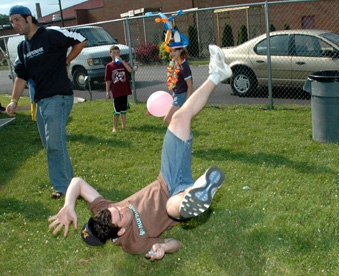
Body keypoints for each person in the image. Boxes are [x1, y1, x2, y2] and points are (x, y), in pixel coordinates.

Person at [48, 45, 232, 260]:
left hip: (166, 178)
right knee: (172, 208)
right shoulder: (134, 243)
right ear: (121, 232)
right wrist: (164, 248)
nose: (121, 208)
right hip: (176, 198)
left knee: (179, 118)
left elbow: (77, 182)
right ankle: (194, 196)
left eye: (117, 209)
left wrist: (68, 205)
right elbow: (176, 243)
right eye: (121, 215)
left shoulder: (105, 210)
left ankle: (218, 73)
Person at [5, 5, 87, 199]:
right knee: (50, 144)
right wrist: (14, 101)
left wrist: (66, 62)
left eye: (17, 19)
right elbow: (20, 77)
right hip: (40, 101)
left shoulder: (50, 33)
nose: (14, 24)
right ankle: (68, 183)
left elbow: (80, 40)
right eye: (11, 22)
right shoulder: (22, 47)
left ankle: (65, 188)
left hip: (58, 96)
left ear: (28, 18)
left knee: (55, 144)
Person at [105, 45, 133, 132]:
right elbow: (108, 80)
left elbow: (130, 70)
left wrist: (122, 62)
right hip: (116, 91)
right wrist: (107, 91)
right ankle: (115, 127)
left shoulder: (123, 63)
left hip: (124, 90)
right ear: (110, 54)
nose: (115, 54)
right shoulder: (109, 66)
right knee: (117, 110)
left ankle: (124, 125)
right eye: (113, 53)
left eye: (117, 52)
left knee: (123, 108)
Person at [163, 47, 192, 125]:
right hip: (176, 94)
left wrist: (187, 102)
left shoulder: (184, 66)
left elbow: (190, 85)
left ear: (181, 50)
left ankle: (179, 134)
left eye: (175, 51)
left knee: (167, 119)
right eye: (171, 51)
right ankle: (182, 134)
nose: (172, 53)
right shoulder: (175, 62)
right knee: (178, 119)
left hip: (181, 96)